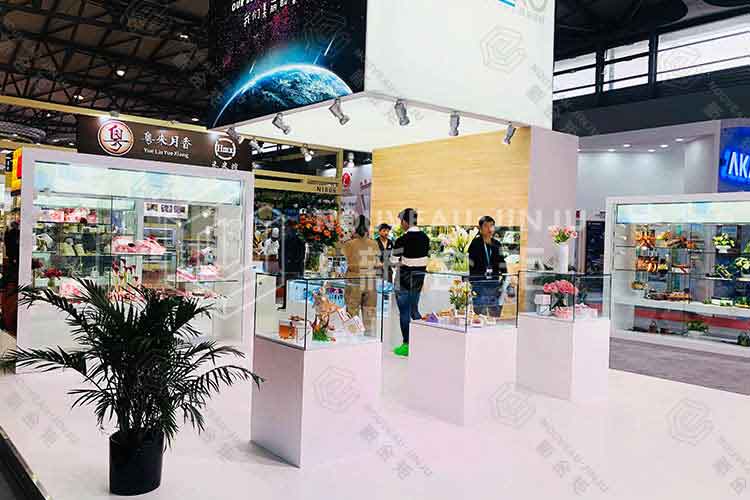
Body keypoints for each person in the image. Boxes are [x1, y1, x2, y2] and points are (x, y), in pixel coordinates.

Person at [391, 208, 430, 357]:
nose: (401, 224)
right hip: (419, 279)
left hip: (404, 279)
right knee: (414, 310)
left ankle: (407, 344)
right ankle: (421, 342)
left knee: (404, 312)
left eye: (401, 221)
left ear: (405, 222)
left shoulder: (402, 240)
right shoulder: (425, 238)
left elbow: (393, 261)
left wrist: (402, 261)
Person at [341, 216, 380, 333]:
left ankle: (352, 338)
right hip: (370, 279)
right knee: (370, 312)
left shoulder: (348, 244)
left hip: (354, 278)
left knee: (352, 311)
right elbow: (377, 261)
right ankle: (370, 338)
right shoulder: (374, 243)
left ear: (355, 227)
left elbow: (344, 256)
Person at [468, 215, 507, 317]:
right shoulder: (475, 244)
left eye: (491, 226)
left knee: (494, 313)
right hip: (479, 283)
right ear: (480, 229)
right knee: (479, 313)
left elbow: (502, 261)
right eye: (486, 226)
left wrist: (505, 276)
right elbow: (471, 263)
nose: (489, 229)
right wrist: (473, 280)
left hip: (494, 283)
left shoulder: (497, 244)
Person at [281, 219, 305, 308]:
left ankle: (290, 306)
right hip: (290, 266)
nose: (285, 229)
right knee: (289, 287)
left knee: (294, 287)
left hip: (294, 267)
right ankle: (287, 305)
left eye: (287, 227)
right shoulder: (287, 238)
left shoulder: (297, 239)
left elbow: (301, 255)